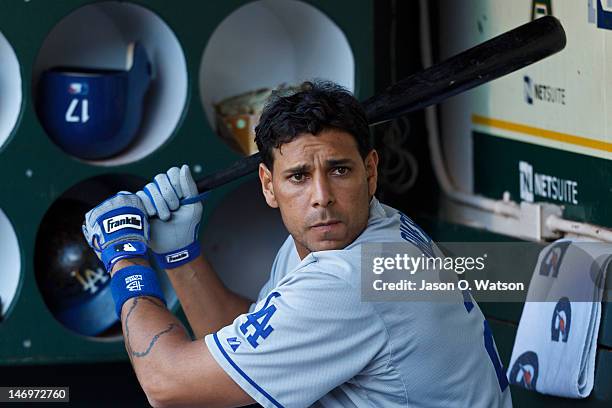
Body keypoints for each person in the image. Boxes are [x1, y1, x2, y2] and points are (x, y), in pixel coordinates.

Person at [82, 81, 512, 407]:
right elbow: (247, 344)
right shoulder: (356, 235)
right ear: (269, 186)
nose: (321, 195)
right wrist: (179, 254)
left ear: (371, 172)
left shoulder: (347, 278)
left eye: (340, 171)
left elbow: (167, 386)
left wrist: (125, 258)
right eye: (299, 176)